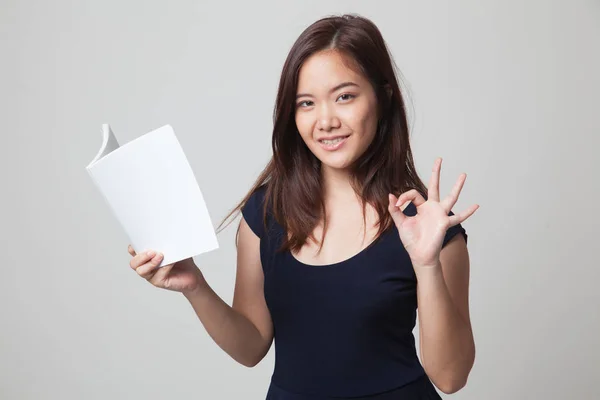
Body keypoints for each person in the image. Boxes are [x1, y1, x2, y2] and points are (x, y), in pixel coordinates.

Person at [127, 13, 478, 399]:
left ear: (383, 96)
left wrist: (427, 264)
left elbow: (450, 377)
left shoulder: (427, 227)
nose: (325, 121)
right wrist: (195, 286)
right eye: (306, 103)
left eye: (345, 96)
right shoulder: (266, 214)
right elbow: (251, 346)